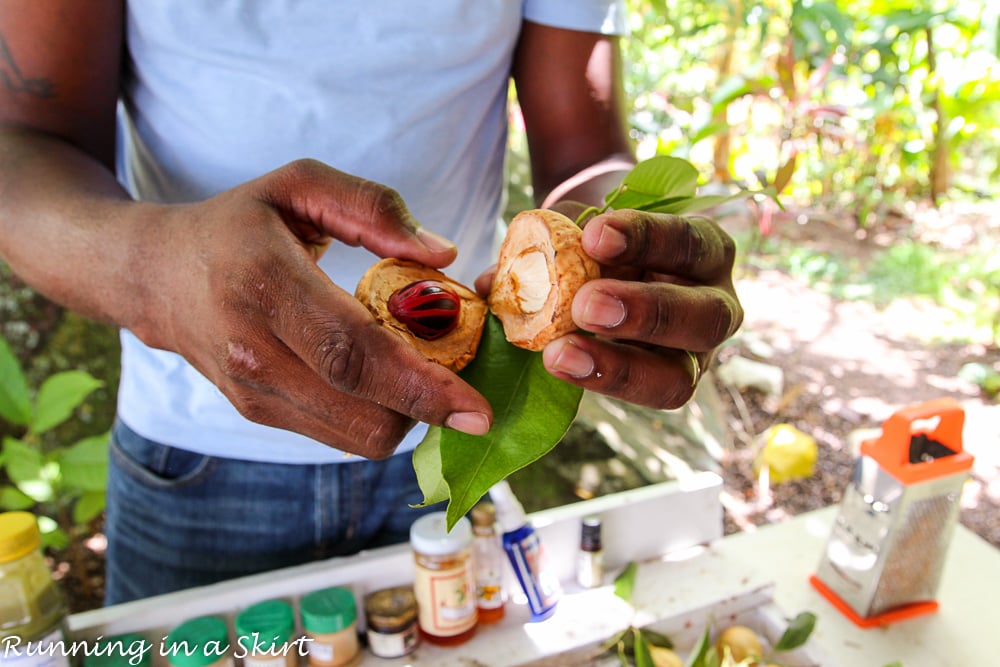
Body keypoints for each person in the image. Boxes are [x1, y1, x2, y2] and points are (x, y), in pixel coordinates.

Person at [0, 2, 743, 604]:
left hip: (449, 426)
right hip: (195, 449)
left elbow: (584, 149)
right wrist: (158, 271)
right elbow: (22, 143)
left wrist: (622, 245)